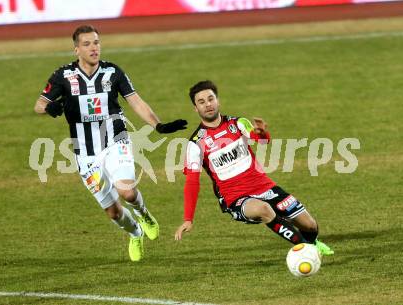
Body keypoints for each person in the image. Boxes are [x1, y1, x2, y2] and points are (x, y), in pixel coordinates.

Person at [34, 25, 187, 262]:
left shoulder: (113, 72)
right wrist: (50, 107)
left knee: (126, 191)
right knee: (113, 212)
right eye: (87, 44)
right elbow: (39, 104)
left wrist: (159, 125)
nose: (93, 48)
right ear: (76, 50)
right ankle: (135, 233)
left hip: (115, 140)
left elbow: (135, 101)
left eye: (96, 42)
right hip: (85, 153)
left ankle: (143, 213)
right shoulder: (63, 76)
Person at [174, 80, 334, 257]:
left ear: (218, 101)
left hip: (265, 187)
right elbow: (192, 182)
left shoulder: (238, 123)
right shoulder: (195, 144)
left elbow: (262, 141)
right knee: (263, 209)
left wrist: (262, 133)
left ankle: (312, 242)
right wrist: (188, 219)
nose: (208, 105)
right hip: (236, 198)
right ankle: (308, 251)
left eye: (210, 99)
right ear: (196, 108)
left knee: (310, 225)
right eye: (201, 102)